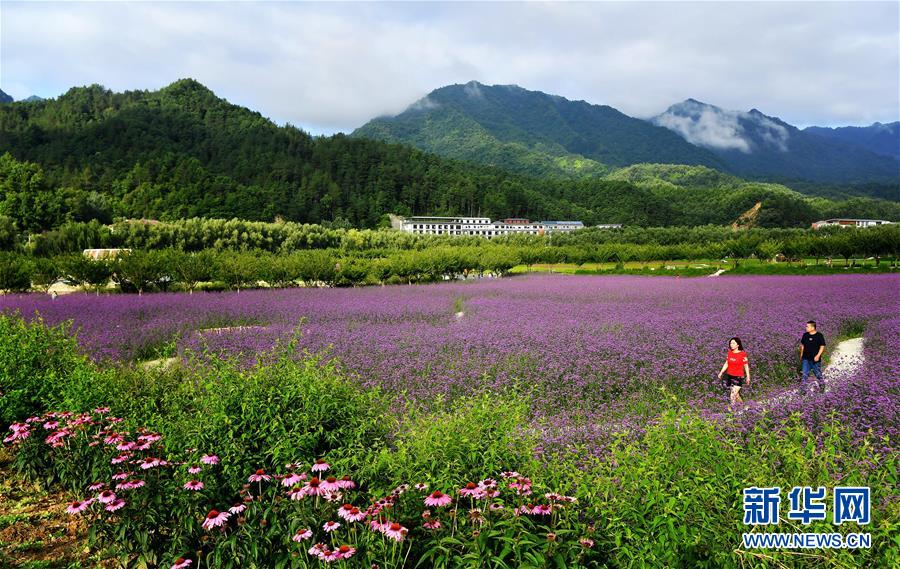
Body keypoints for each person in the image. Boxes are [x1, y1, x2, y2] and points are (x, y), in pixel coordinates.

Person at [717, 337, 750, 406]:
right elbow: (726, 363)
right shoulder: (729, 353)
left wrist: (748, 377)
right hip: (729, 375)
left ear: (738, 345)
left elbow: (746, 366)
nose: (731, 345)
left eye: (733, 343)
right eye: (730, 343)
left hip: (738, 376)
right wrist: (721, 372)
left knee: (732, 395)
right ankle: (744, 406)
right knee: (736, 395)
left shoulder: (742, 354)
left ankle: (733, 409)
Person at [798, 320, 826, 393]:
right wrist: (801, 354)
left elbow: (822, 346)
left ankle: (822, 386)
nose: (806, 328)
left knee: (818, 374)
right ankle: (803, 391)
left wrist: (818, 355)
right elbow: (802, 345)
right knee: (804, 374)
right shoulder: (805, 335)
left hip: (815, 359)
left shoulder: (819, 335)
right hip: (806, 359)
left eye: (807, 326)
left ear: (813, 327)